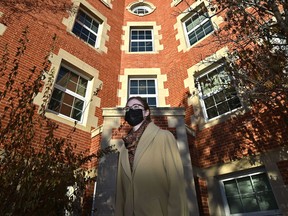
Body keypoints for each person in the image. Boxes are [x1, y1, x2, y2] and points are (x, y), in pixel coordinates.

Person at [115, 96, 188, 216]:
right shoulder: (123, 149)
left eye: (136, 107)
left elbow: (176, 184)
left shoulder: (163, 137)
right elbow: (121, 192)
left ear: (146, 112)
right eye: (128, 108)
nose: (131, 110)